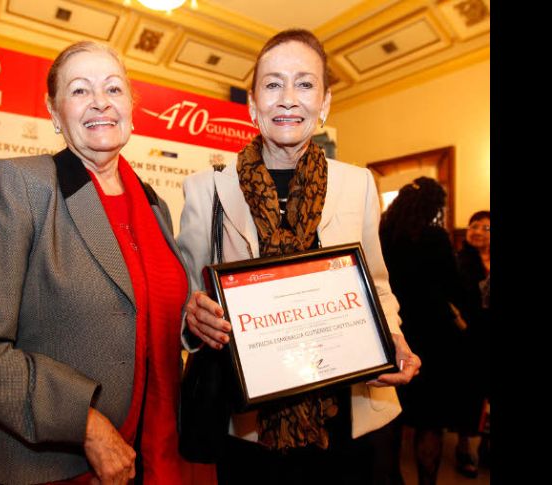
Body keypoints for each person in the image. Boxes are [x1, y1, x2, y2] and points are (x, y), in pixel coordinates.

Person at [0, 41, 192, 485]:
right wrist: (85, 423)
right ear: (54, 113)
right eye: (79, 91)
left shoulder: (155, 206)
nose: (100, 102)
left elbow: (148, 317)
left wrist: (194, 316)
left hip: (144, 459)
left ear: (131, 106)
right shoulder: (21, 185)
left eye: (113, 89)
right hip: (37, 470)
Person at [177, 28, 421, 484]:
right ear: (252, 105)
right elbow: (186, 296)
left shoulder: (359, 184)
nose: (288, 98)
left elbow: (378, 285)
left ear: (324, 104)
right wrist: (193, 317)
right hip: (250, 425)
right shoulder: (205, 189)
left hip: (347, 415)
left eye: (304, 84)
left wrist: (395, 336)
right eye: (273, 84)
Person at [379, 177, 466, 485]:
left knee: (393, 417)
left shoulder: (383, 235)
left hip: (394, 334)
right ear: (433, 207)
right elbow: (454, 287)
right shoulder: (436, 237)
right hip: (434, 338)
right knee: (430, 421)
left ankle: (392, 479)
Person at [453, 210, 491, 476]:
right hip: (469, 339)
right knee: (469, 393)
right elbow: (448, 298)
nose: (476, 231)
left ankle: (486, 446)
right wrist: (462, 324)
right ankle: (465, 447)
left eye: (484, 227)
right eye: (473, 226)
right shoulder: (458, 261)